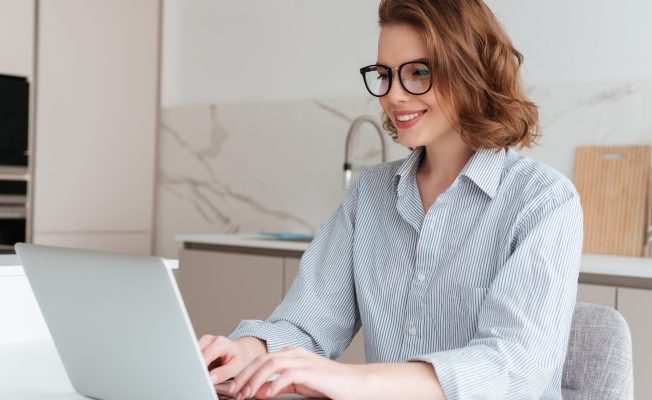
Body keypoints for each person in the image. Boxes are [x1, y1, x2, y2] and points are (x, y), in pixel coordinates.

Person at [199, 0, 583, 398]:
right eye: (384, 75)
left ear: (471, 72)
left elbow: (513, 368)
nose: (394, 95)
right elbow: (306, 325)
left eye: (418, 72)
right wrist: (245, 352)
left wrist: (351, 380)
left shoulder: (543, 201)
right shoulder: (370, 194)